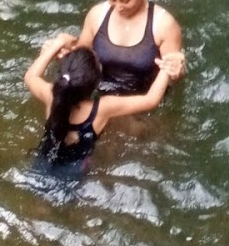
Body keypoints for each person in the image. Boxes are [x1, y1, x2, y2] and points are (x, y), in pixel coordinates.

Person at [24, 34, 175, 167]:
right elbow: (151, 100)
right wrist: (166, 67)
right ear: (96, 83)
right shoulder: (103, 108)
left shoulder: (51, 95)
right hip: (74, 174)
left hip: (40, 163)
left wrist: (57, 44)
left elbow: (30, 77)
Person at [74, 0, 185, 100]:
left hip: (144, 102)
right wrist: (64, 50)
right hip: (102, 97)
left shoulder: (164, 25)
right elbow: (80, 57)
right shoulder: (96, 15)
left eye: (126, 1)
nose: (118, 7)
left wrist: (176, 71)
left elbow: (174, 74)